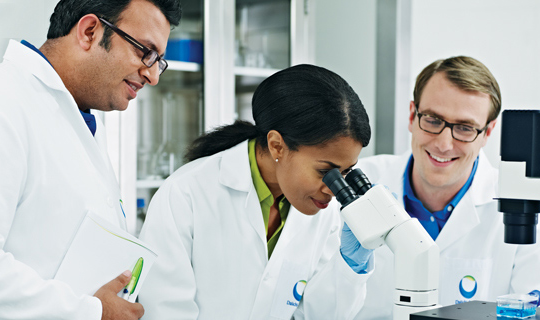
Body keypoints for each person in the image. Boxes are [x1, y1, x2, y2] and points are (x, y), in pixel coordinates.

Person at [0, 0, 181, 319]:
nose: (152, 75)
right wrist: (92, 312)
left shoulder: (78, 119)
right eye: (145, 52)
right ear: (89, 31)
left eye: (159, 61)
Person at [138, 64, 374, 319]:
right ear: (277, 146)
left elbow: (315, 314)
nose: (333, 188)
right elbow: (165, 311)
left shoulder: (320, 209)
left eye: (345, 173)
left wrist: (350, 266)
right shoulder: (186, 193)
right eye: (324, 171)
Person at [353, 56, 540, 319]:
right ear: (412, 115)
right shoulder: (360, 183)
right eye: (433, 120)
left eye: (464, 128)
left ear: (488, 132)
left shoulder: (524, 205)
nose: (444, 144)